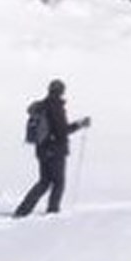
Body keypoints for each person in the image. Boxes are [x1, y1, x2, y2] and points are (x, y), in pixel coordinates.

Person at [14, 79, 91, 218]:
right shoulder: (55, 106)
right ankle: (52, 211)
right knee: (58, 182)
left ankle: (22, 210)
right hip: (55, 150)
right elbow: (61, 130)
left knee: (44, 181)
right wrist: (79, 125)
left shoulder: (42, 106)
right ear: (61, 91)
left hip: (42, 148)